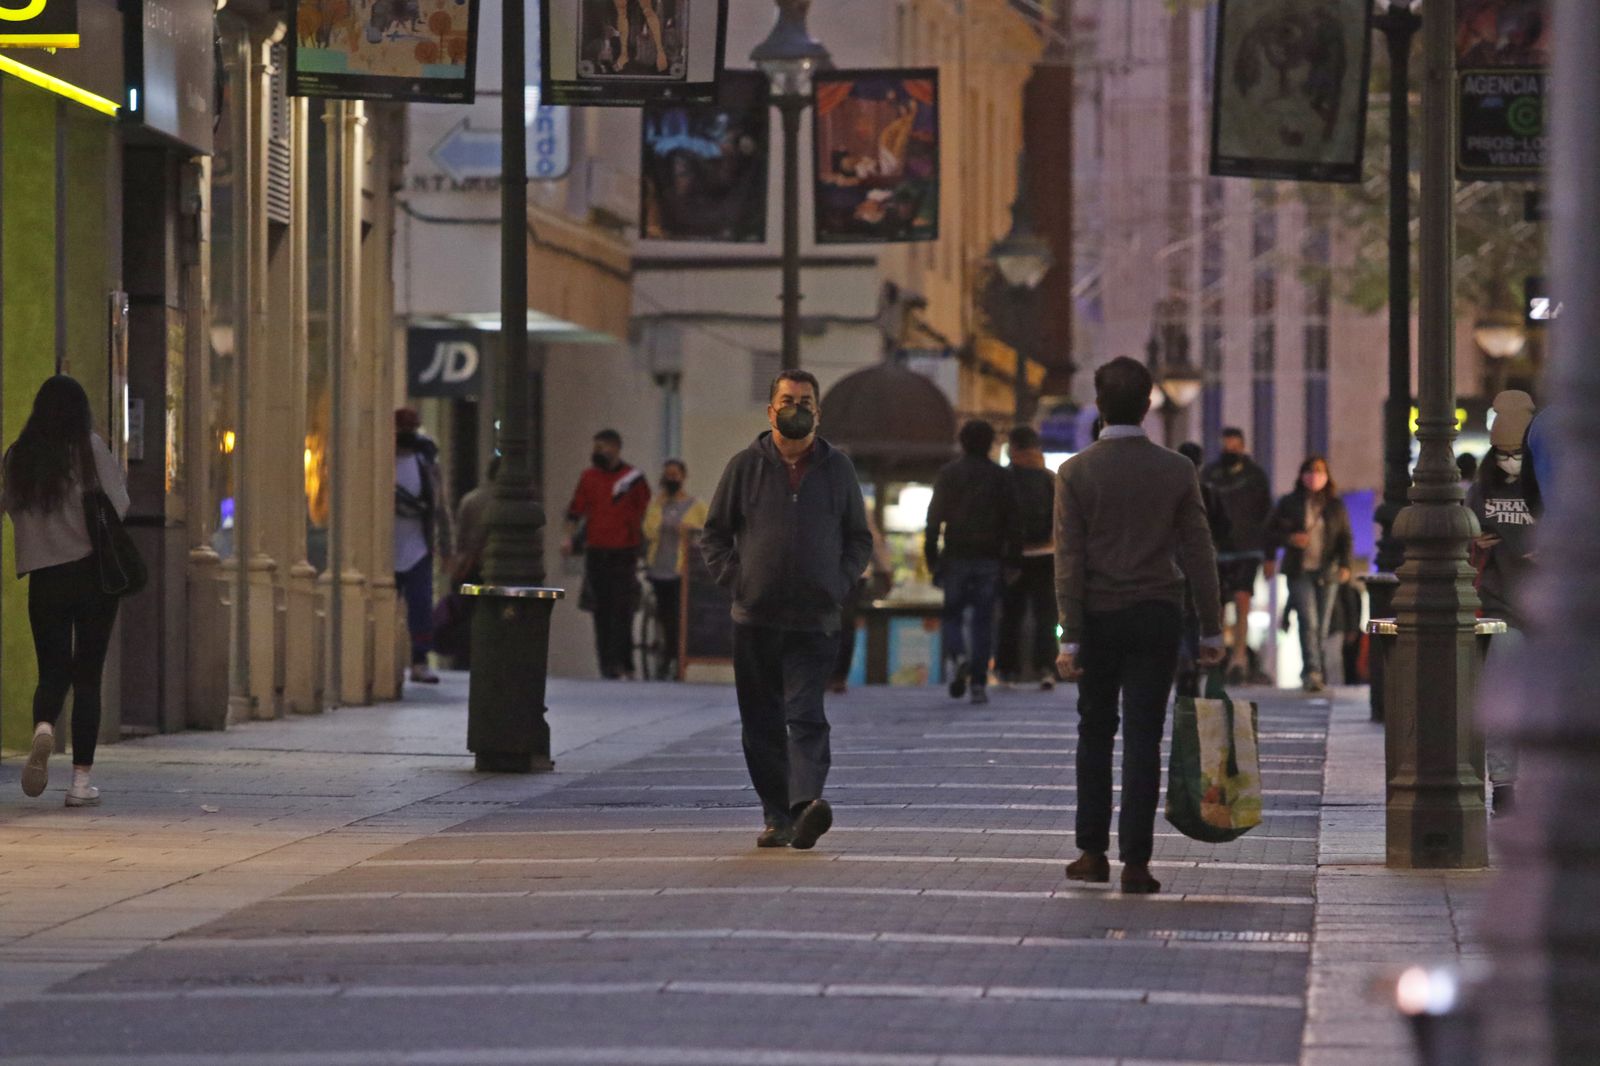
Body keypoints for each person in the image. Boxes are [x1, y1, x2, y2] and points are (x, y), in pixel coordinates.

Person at [1055, 358, 1225, 895]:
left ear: (1100, 405)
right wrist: (1212, 628)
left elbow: (1069, 561)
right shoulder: (1177, 470)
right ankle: (1136, 862)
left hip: (1098, 617)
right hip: (1157, 614)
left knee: (1095, 731)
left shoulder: (1075, 472)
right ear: (1148, 405)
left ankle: (1091, 852)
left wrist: (1069, 635)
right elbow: (1199, 552)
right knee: (1144, 736)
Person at [702, 370, 873, 850]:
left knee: (805, 713)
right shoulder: (744, 467)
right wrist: (739, 582)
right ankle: (778, 816)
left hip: (815, 618)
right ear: (770, 410)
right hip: (755, 618)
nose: (795, 408)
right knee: (761, 721)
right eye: (787, 400)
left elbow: (859, 539)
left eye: (804, 401)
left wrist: (837, 583)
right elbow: (714, 535)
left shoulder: (837, 469)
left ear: (818, 412)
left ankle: (804, 807)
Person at [2, 376, 129, 807]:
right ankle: (79, 784)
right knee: (88, 676)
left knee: (52, 669)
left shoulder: (19, 455)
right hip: (93, 576)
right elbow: (120, 503)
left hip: (45, 578)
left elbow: (9, 506)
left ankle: (43, 728)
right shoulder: (90, 449)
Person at [1468, 389, 1538, 815]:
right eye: (1502, 454)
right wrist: (1472, 542)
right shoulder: (1481, 490)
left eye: (1516, 454)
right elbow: (1458, 538)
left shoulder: (1552, 484)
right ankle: (1505, 783)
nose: (1509, 461)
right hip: (1502, 610)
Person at [925, 420, 1016, 705]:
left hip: (956, 556)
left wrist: (932, 556)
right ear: (990, 443)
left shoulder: (949, 474)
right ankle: (978, 683)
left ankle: (959, 656)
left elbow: (934, 518)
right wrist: (1012, 560)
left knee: (952, 614)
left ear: (962, 442)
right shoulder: (1001, 477)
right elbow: (1013, 521)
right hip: (990, 558)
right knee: (983, 621)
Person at [564, 429, 651, 680]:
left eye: (602, 447)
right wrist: (568, 538)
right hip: (597, 551)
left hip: (624, 551)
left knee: (622, 608)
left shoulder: (633, 479)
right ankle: (607, 666)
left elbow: (645, 511)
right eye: (596, 447)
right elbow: (575, 511)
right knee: (601, 610)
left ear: (615, 448)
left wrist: (643, 543)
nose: (597, 452)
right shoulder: (588, 477)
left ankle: (624, 662)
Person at [1264, 456, 1353, 693]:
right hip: (1298, 571)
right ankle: (1312, 671)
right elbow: (1270, 531)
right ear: (1302, 474)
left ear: (1327, 475)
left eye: (1319, 471)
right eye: (1310, 471)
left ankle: (1316, 670)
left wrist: (1346, 565)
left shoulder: (1335, 505)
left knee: (1321, 625)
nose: (1314, 476)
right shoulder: (1289, 502)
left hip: (1327, 572)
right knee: (1308, 620)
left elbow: (1345, 537)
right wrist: (1289, 540)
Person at [1202, 428, 1274, 685]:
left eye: (1234, 445)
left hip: (1247, 548)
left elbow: (1267, 515)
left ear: (1242, 446)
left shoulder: (1255, 476)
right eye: (1226, 445)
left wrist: (1269, 555)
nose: (1230, 450)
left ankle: (1239, 658)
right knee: (1218, 605)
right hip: (1218, 549)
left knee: (1243, 600)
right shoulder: (1210, 475)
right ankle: (1219, 657)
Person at [996, 426, 1059, 690]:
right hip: (1047, 554)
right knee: (1047, 614)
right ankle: (1046, 668)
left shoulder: (1004, 478)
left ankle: (1007, 670)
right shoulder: (1050, 478)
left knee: (1011, 613)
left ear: (1013, 448)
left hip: (1013, 556)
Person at [395, 409, 454, 685]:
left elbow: (440, 508)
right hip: (385, 548)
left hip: (418, 545)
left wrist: (446, 548)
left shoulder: (426, 464)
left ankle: (420, 660)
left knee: (421, 604)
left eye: (411, 428)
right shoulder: (380, 462)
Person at [641, 459, 708, 681]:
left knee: (679, 616)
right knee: (664, 615)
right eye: (667, 474)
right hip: (659, 567)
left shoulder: (696, 505)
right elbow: (648, 530)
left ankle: (676, 657)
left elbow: (708, 531)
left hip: (683, 571)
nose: (670, 478)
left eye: (674, 474)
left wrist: (689, 529)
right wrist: (659, 509)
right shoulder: (656, 504)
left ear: (683, 476)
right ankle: (668, 655)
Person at [1175, 442, 1232, 698]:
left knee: (1179, 615)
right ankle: (1193, 661)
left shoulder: (1169, 490)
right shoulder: (1207, 492)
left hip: (1173, 562)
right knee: (1196, 617)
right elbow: (1225, 529)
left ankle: (1185, 661)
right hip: (1201, 561)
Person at [830, 509, 893, 695]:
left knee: (836, 622)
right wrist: (885, 570)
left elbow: (869, 536)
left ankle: (832, 675)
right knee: (844, 623)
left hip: (836, 570)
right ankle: (837, 676)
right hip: (850, 571)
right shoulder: (855, 498)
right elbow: (870, 537)